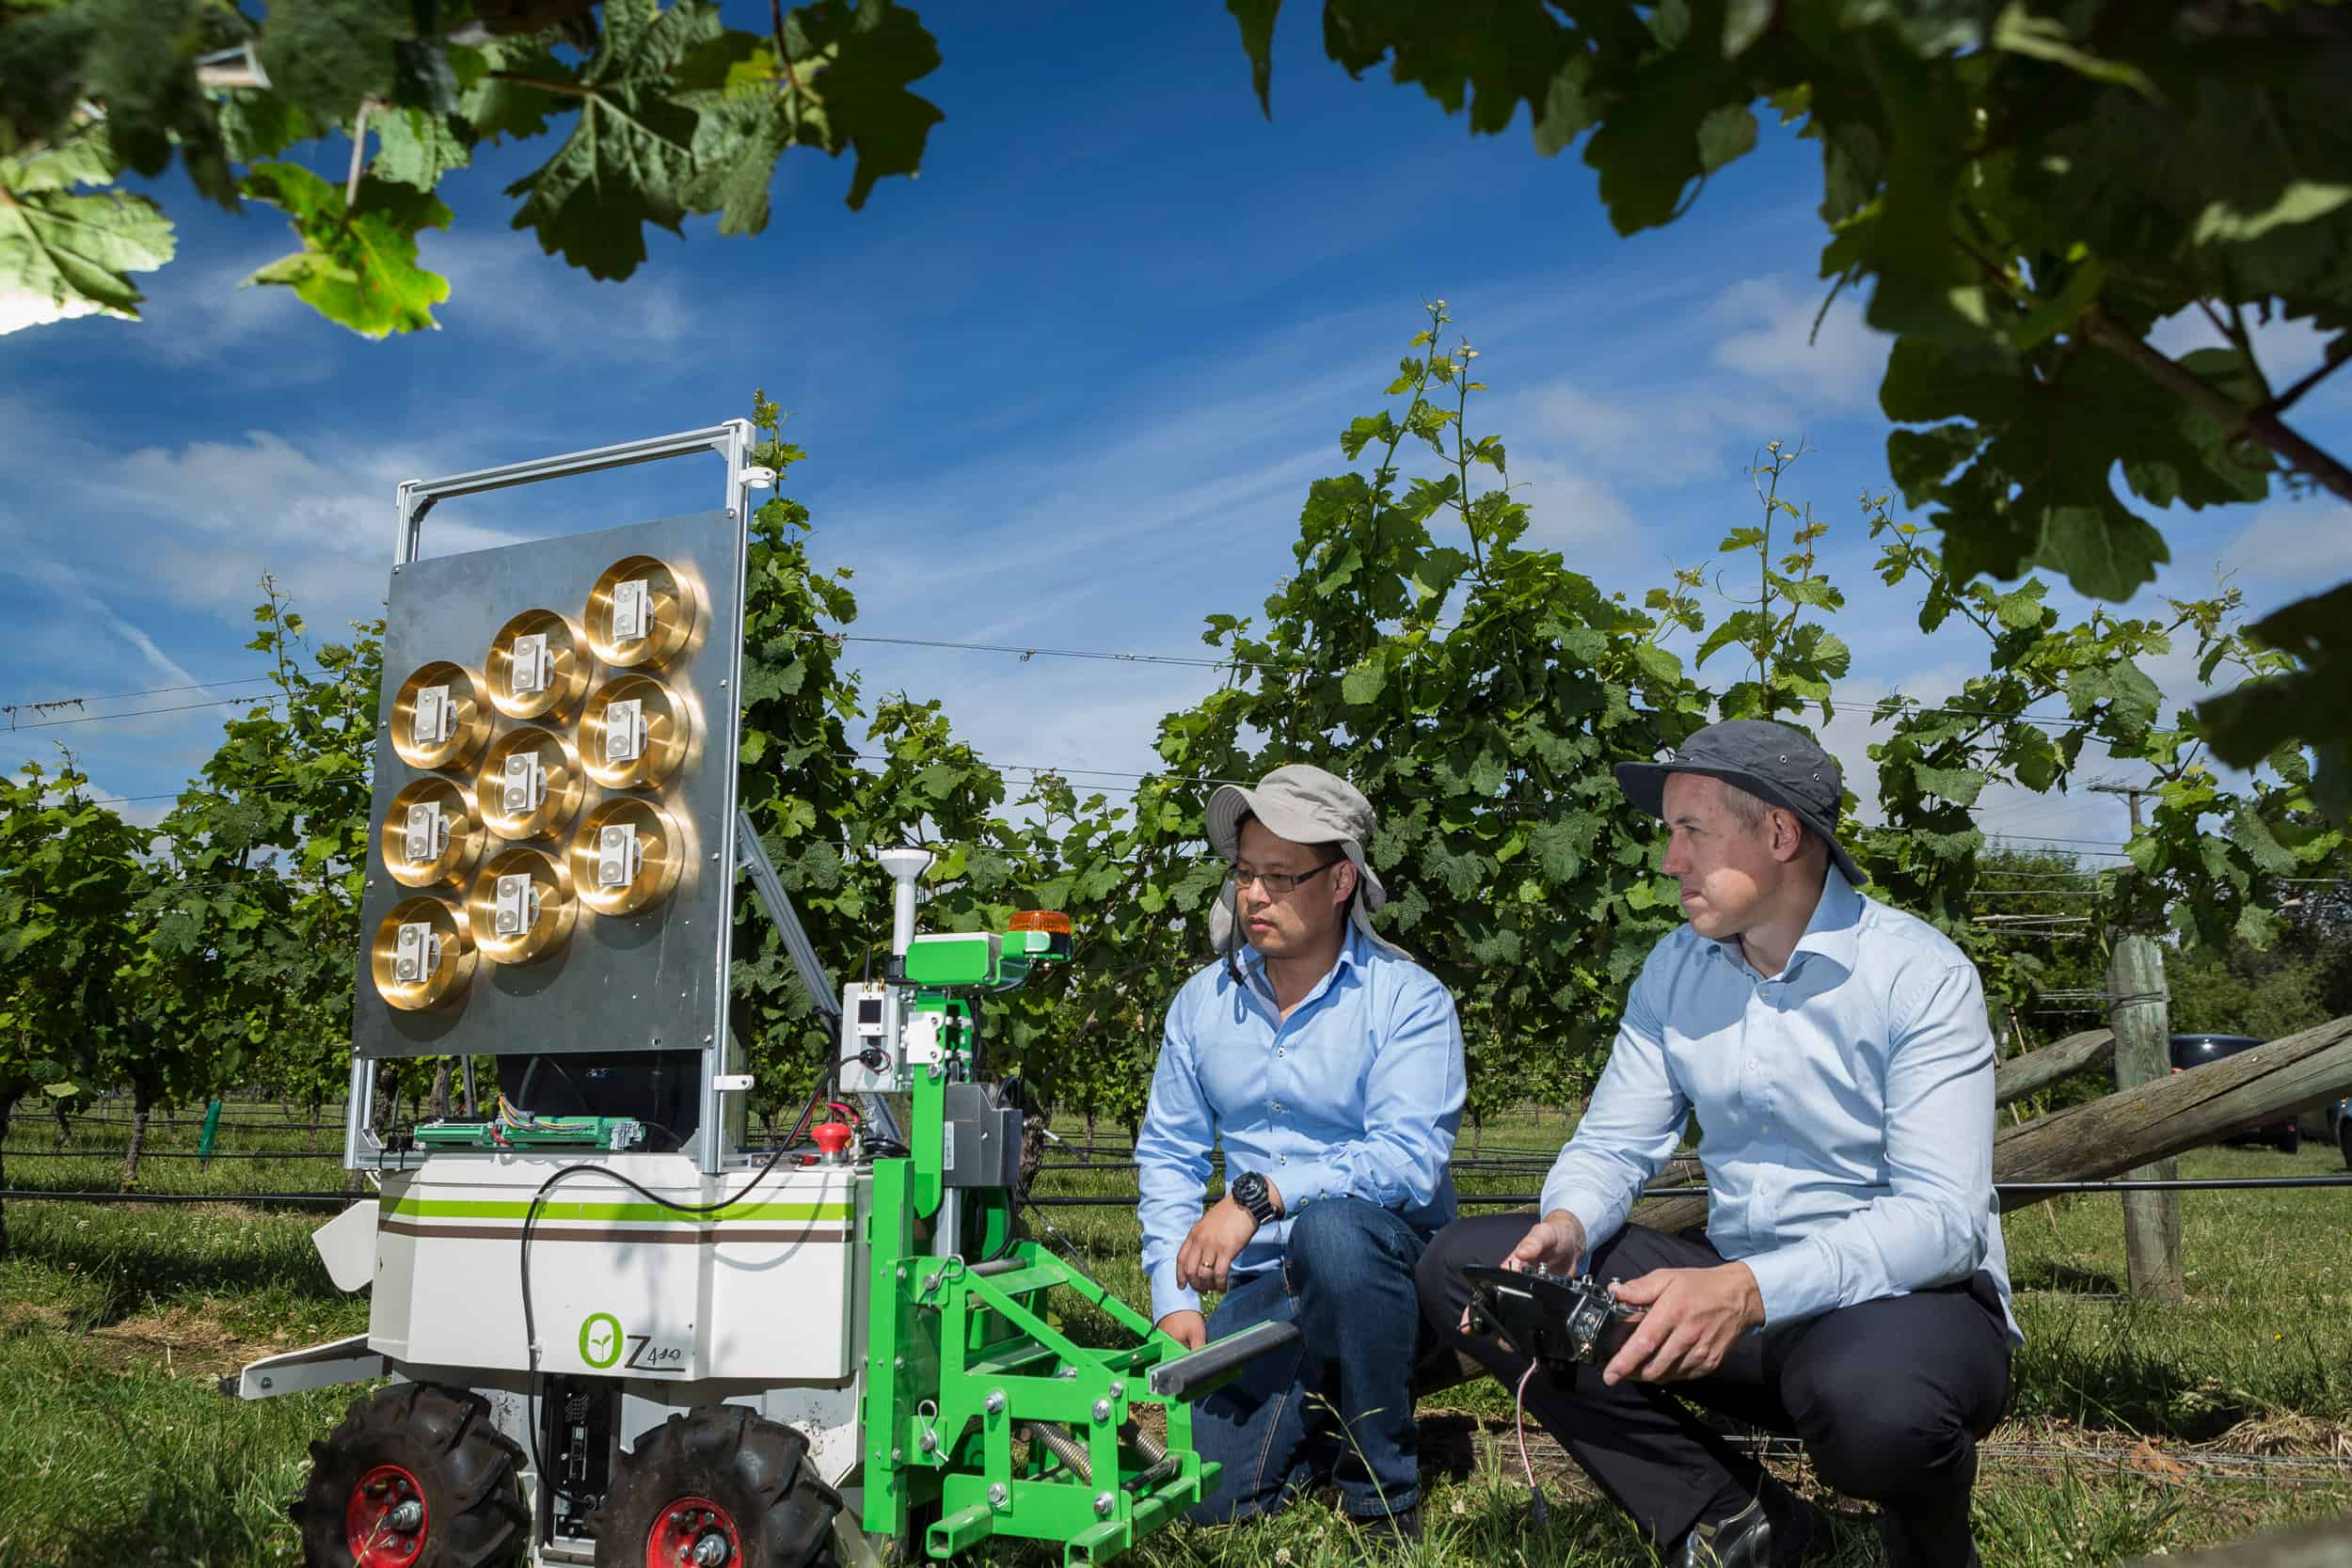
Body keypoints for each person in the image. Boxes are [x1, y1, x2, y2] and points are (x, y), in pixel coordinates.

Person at [1416, 720, 2018, 1568]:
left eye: (1690, 830)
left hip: (1901, 1305)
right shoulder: (1674, 969)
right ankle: (1737, 1518)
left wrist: (1745, 1289)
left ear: (1780, 833)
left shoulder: (1918, 975)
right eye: (1670, 832)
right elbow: (1615, 1141)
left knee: (1877, 1407)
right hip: (1735, 1298)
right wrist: (1569, 1222)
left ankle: (1928, 1543)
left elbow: (1944, 1222)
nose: (1669, 860)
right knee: (1471, 1267)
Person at [1136, 763, 1466, 1543]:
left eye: (1281, 877)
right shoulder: (1202, 1004)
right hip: (1265, 1286)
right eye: (1246, 873)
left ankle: (1382, 1497)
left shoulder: (1407, 999)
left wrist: (1262, 1193)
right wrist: (1172, 1295)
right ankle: (1333, 1404)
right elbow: (1171, 1152)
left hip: (1387, 1267)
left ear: (1342, 878)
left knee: (1333, 1234)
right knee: (1213, 1498)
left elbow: (1409, 1159)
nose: (1254, 895)